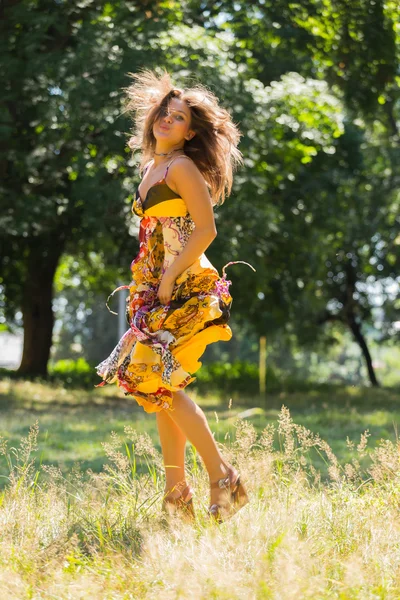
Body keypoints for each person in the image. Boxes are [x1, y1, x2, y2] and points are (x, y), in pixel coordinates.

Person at [95, 69, 255, 523]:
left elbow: (206, 231)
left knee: (156, 382)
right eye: (163, 112)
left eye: (178, 116)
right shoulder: (151, 167)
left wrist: (167, 283)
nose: (167, 119)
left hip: (187, 286)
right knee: (162, 389)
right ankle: (176, 492)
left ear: (191, 130)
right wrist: (149, 285)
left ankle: (221, 475)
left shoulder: (182, 167)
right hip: (156, 287)